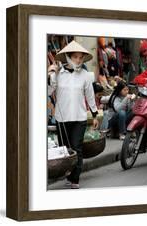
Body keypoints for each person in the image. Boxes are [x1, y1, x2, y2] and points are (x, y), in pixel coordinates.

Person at [50, 40, 99, 189]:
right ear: (69, 57)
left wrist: (95, 115)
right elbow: (47, 92)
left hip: (79, 117)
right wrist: (51, 74)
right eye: (75, 57)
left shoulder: (85, 75)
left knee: (77, 148)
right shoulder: (58, 74)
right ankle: (69, 173)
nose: (78, 60)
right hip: (62, 117)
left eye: (80, 57)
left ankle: (75, 179)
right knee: (66, 149)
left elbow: (90, 95)